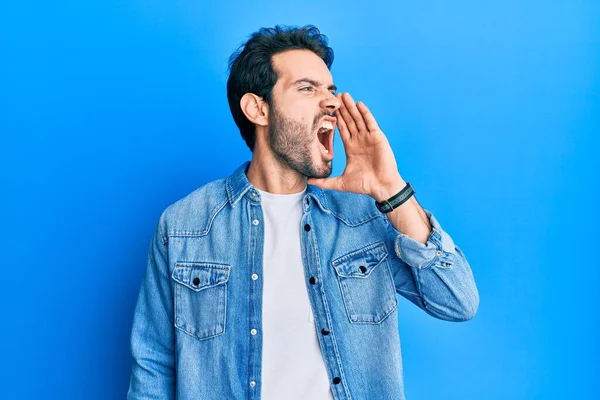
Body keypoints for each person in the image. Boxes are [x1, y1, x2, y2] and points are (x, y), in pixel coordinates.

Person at [127, 24, 479, 400]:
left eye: (330, 89)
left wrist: (390, 189)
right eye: (307, 88)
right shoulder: (185, 226)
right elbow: (153, 369)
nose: (331, 102)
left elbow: (457, 300)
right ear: (258, 109)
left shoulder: (362, 218)